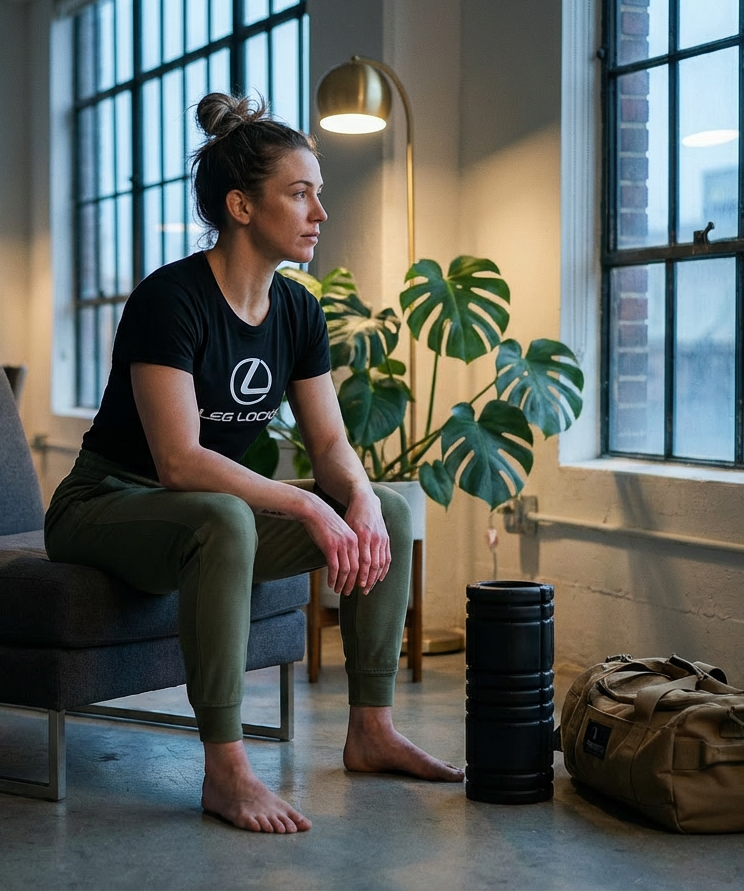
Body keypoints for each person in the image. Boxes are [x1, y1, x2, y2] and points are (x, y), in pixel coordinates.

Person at [44, 92, 463, 834]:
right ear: (241, 206)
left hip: (207, 511)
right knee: (223, 518)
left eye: (318, 194)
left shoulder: (298, 312)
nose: (319, 213)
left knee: (391, 506)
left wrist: (357, 499)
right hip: (107, 504)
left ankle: (371, 729)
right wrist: (305, 504)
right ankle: (226, 770)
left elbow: (331, 445)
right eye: (300, 194)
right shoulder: (171, 300)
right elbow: (178, 461)